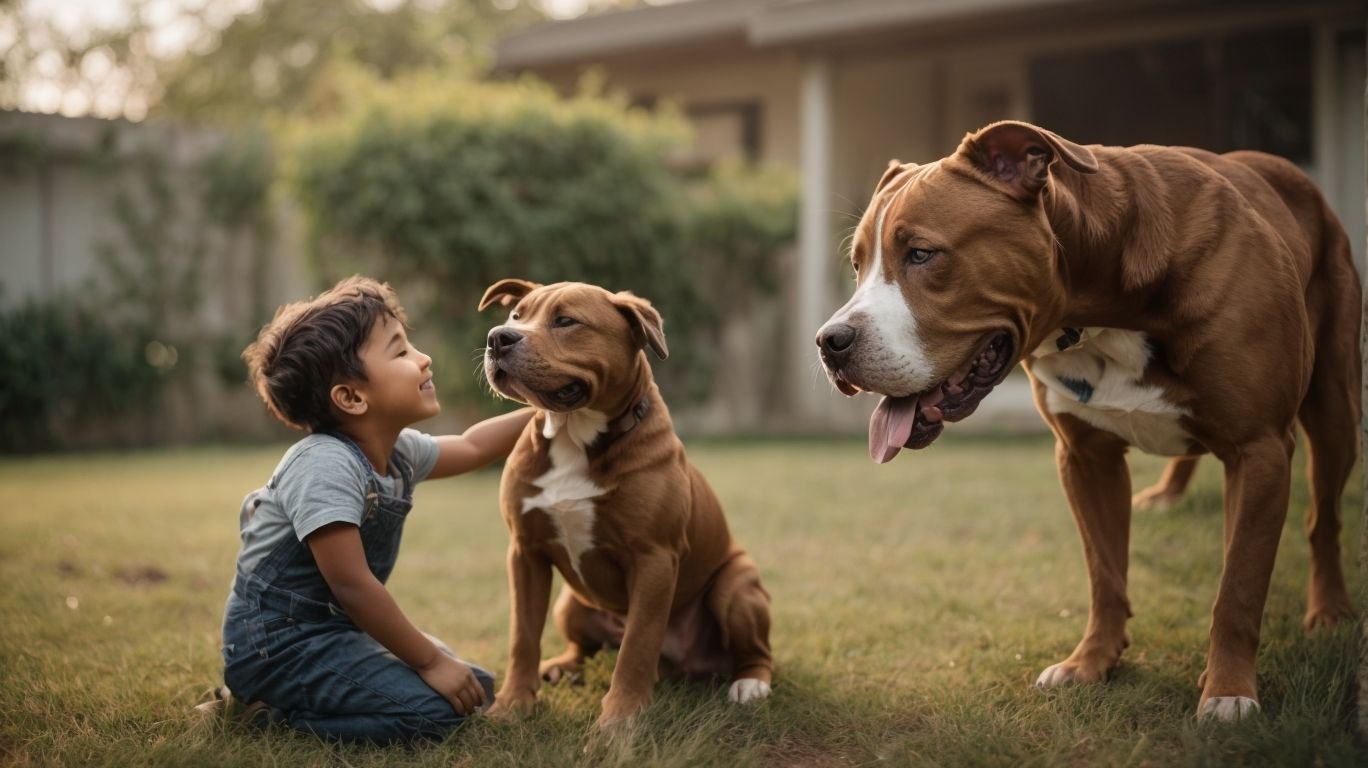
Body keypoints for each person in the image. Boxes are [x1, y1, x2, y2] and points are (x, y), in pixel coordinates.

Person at [217, 275, 531, 743]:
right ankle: (266, 713)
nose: (423, 358)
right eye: (401, 352)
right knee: (435, 712)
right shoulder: (324, 465)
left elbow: (471, 445)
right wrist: (429, 660)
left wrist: (550, 406)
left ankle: (297, 699)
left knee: (475, 688)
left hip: (334, 635)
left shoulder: (397, 451)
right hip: (278, 649)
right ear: (351, 397)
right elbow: (353, 586)